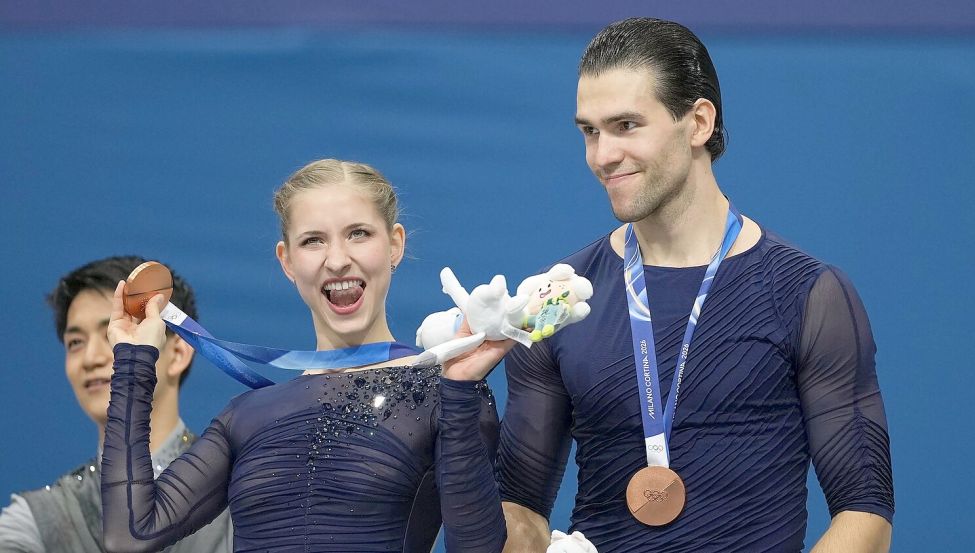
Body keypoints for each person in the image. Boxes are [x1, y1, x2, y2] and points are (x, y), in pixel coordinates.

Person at [497, 17, 894, 553]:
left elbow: (864, 512)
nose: (601, 155)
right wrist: (458, 410)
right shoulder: (558, 301)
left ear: (699, 122)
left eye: (626, 125)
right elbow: (519, 512)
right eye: (589, 131)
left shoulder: (808, 293)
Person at [99, 159, 510, 552]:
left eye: (359, 234)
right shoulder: (245, 416)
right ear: (288, 261)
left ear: (395, 245)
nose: (336, 259)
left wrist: (459, 391)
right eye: (313, 241)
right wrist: (134, 362)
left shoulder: (444, 391)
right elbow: (131, 533)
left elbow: (478, 546)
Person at [0, 256, 233, 553]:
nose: (91, 358)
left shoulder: (240, 494)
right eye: (76, 342)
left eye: (117, 331)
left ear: (178, 353)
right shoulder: (40, 519)